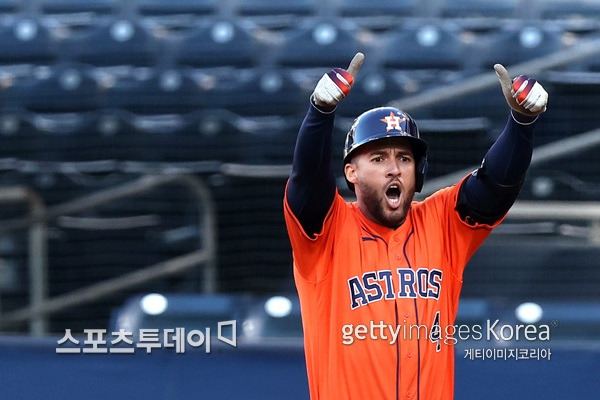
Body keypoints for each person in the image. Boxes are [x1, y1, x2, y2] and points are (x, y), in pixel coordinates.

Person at [283, 52, 548, 400]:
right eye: (378, 158)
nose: (394, 169)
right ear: (351, 172)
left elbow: (495, 184)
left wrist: (522, 124)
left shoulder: (442, 223)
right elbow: (307, 180)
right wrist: (319, 114)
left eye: (404, 158)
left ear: (417, 172)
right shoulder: (326, 231)